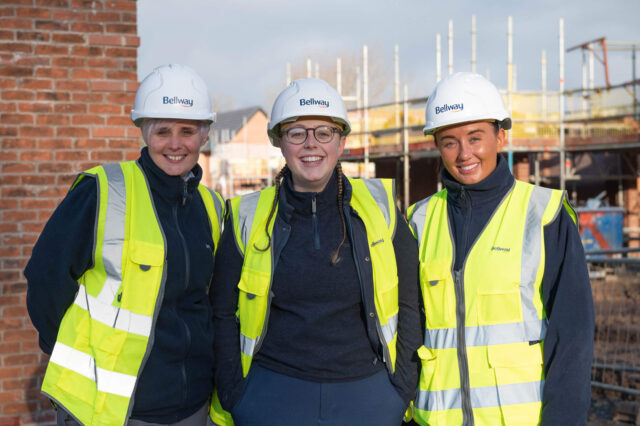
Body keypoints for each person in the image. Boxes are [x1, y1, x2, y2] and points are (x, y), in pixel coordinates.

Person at [209, 78, 422, 426]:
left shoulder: (381, 207)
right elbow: (221, 312)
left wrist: (400, 390)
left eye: (324, 132)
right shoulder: (246, 215)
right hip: (272, 395)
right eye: (297, 133)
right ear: (279, 141)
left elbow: (409, 303)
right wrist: (236, 392)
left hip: (367, 395)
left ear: (341, 140)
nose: (311, 144)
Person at [25, 64, 224, 426]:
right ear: (144, 131)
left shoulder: (211, 206)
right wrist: (72, 358)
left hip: (191, 406)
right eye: (162, 131)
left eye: (187, 131)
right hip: (107, 411)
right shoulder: (103, 190)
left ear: (205, 135)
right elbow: (45, 281)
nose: (175, 144)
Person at [407, 72, 594, 425]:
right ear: (437, 146)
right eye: (450, 142)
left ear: (501, 136)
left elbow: (573, 336)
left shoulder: (544, 214)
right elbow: (408, 332)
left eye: (475, 138)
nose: (465, 154)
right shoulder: (418, 221)